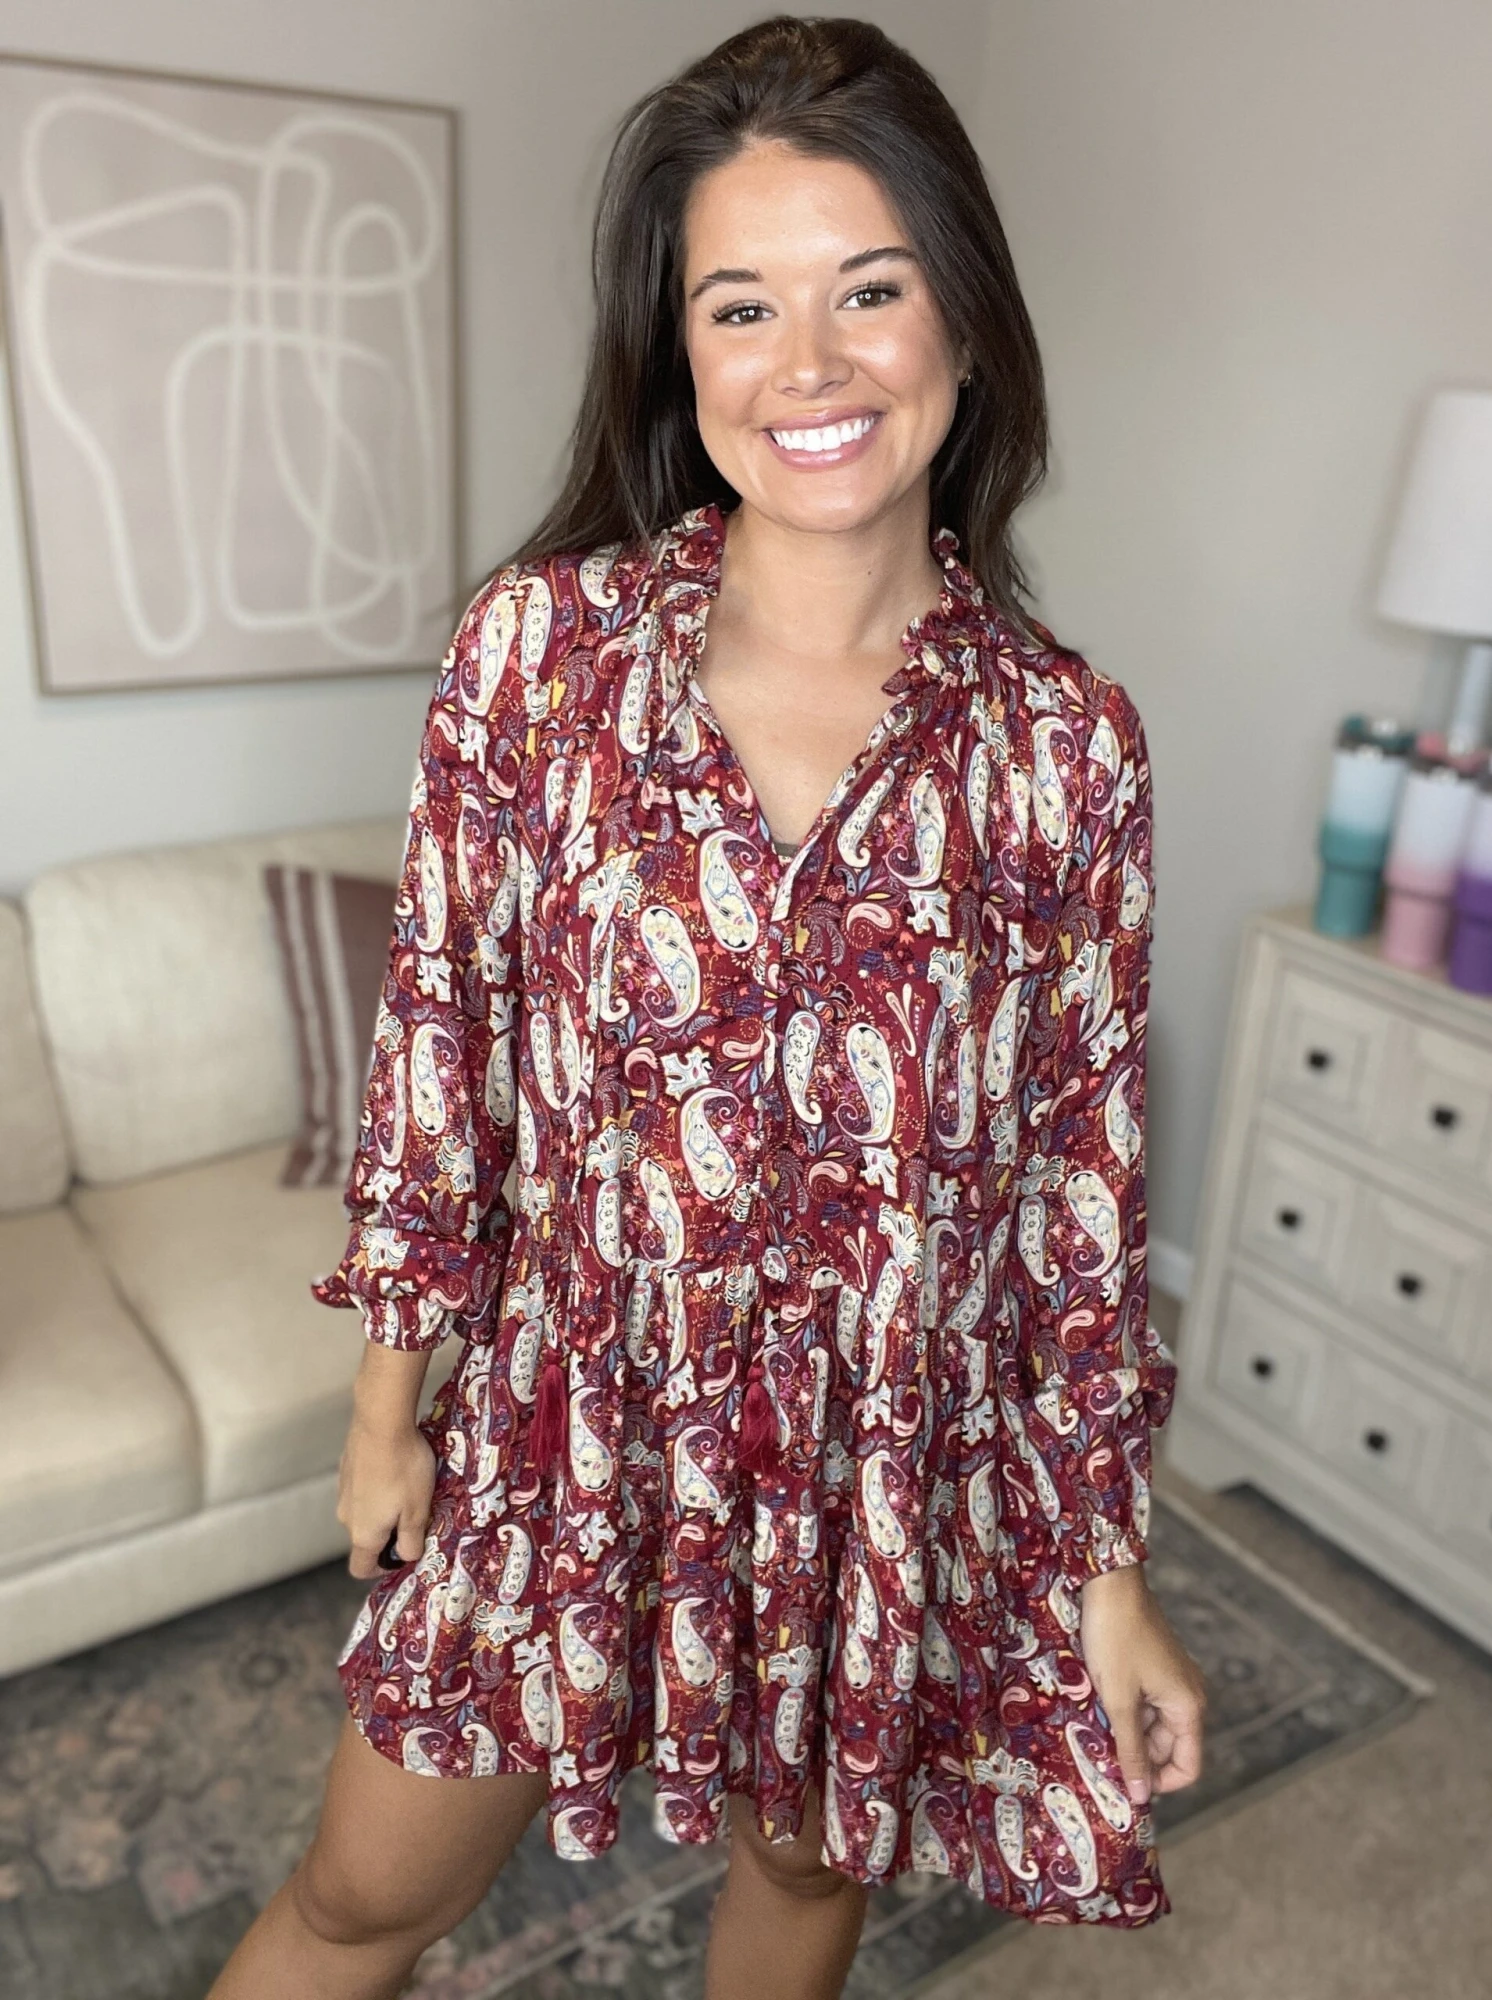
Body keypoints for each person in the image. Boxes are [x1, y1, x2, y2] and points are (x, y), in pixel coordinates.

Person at [208, 16, 1205, 1999]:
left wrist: (1108, 1579)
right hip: (562, 1434)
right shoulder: (541, 657)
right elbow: (439, 1062)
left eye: (870, 290)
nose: (807, 365)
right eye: (742, 306)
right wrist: (387, 1413)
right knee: (357, 1896)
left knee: (807, 1882)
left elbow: (1074, 1212)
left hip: (870, 1470)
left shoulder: (1063, 749)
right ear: (680, 352)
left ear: (967, 320)